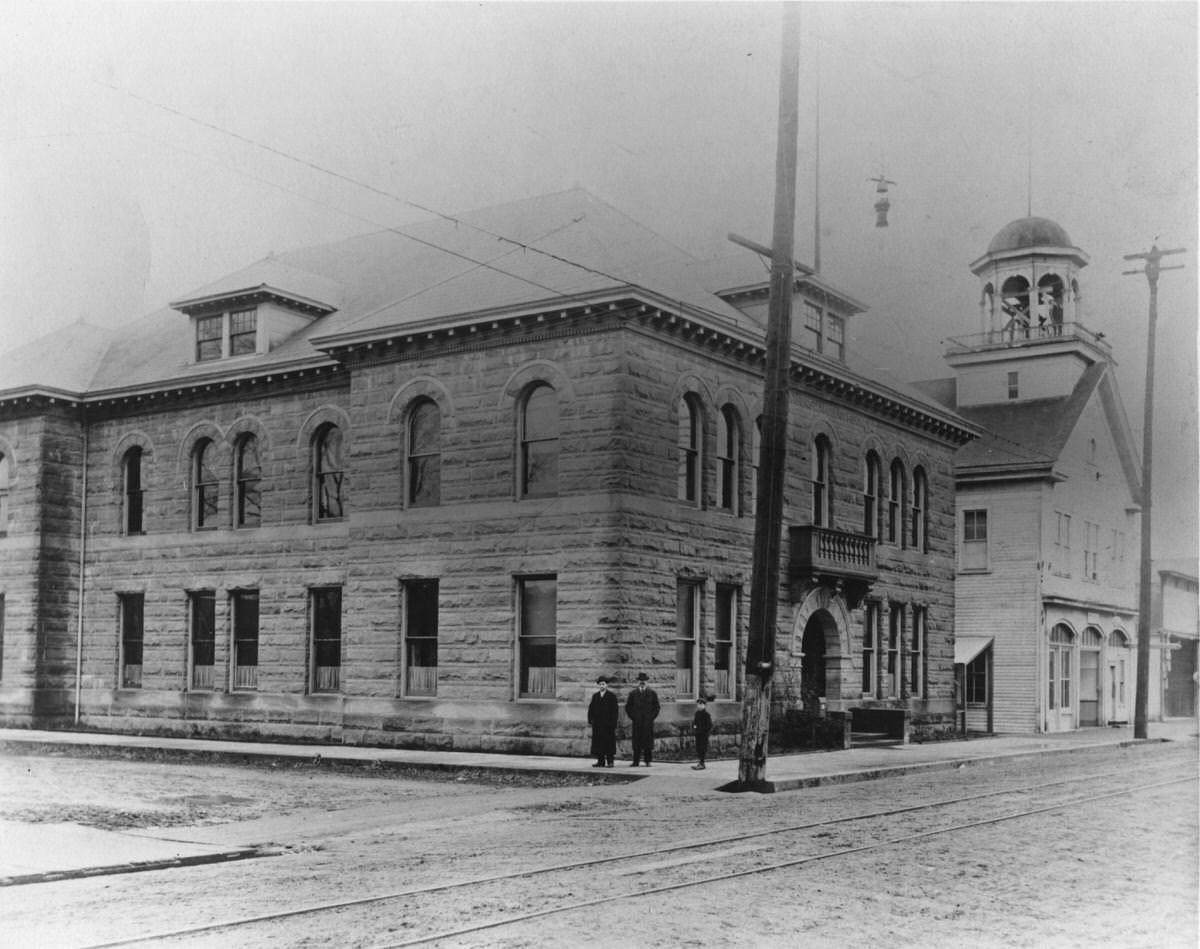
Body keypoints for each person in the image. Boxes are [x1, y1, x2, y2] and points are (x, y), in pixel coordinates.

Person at [625, 672, 660, 766]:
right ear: (638, 681)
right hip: (637, 722)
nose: (642, 682)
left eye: (644, 681)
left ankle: (648, 761)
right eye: (641, 680)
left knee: (648, 743)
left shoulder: (652, 693)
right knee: (636, 742)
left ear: (646, 682)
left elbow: (656, 707)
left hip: (648, 723)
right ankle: (635, 761)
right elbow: (628, 707)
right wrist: (634, 717)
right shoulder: (633, 693)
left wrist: (651, 717)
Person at [587, 676, 618, 768]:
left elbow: (615, 711)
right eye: (600, 684)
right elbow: (591, 709)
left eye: (603, 684)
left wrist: (613, 723)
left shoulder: (611, 696)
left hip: (608, 725)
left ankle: (610, 762)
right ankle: (600, 761)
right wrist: (591, 719)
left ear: (606, 685)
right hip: (598, 725)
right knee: (599, 743)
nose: (602, 686)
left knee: (608, 743)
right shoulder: (595, 696)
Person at [691, 696, 713, 770]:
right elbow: (694, 723)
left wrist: (702, 731)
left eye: (701, 704)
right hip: (697, 734)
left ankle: (702, 763)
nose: (699, 706)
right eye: (698, 704)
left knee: (702, 748)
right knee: (698, 748)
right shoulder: (697, 713)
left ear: (704, 705)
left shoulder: (706, 714)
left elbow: (709, 725)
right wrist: (694, 728)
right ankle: (700, 762)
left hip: (704, 735)